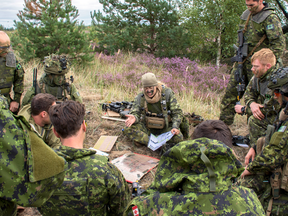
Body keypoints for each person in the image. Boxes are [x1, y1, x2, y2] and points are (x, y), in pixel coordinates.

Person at [123, 120, 265, 215]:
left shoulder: (150, 206)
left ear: (190, 150)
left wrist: (159, 188)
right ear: (229, 152)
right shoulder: (250, 201)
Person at [38, 100, 130, 216]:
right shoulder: (106, 171)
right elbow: (122, 210)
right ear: (84, 126)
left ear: (55, 132)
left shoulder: (41, 169)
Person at [219, 0, 285, 125]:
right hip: (242, 62)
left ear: (260, 1)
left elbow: (278, 46)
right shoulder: (246, 15)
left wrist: (266, 66)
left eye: (252, 5)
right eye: (247, 5)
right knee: (230, 94)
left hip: (261, 67)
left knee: (259, 99)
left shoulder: (270, 18)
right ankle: (222, 128)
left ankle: (256, 131)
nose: (249, 8)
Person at [0, 95, 66, 216]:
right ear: (43, 114)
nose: (57, 112)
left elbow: (57, 145)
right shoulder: (21, 131)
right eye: (53, 109)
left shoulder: (48, 121)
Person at [239, 67, 288, 215]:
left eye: (277, 93)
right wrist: (255, 146)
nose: (275, 96)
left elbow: (275, 153)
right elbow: (274, 135)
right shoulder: (284, 111)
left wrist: (250, 169)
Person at [235, 49, 279, 162]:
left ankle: (257, 155)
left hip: (278, 117)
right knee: (254, 117)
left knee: (254, 120)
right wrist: (252, 104)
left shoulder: (276, 81)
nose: (252, 69)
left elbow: (269, 108)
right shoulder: (258, 77)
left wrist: (245, 109)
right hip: (268, 113)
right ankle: (255, 148)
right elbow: (248, 94)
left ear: (267, 66)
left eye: (255, 66)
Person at [123, 72, 189, 149]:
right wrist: (134, 117)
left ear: (156, 86)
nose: (148, 91)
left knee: (178, 138)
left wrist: (175, 127)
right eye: (146, 88)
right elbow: (135, 112)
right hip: (148, 129)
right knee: (128, 129)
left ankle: (145, 142)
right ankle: (153, 143)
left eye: (151, 88)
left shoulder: (167, 94)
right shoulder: (140, 97)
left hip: (165, 128)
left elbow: (177, 112)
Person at [0, 31, 25, 113]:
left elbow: (19, 78)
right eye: (3, 49)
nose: (6, 51)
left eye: (7, 48)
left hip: (5, 100)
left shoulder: (10, 58)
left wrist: (16, 100)